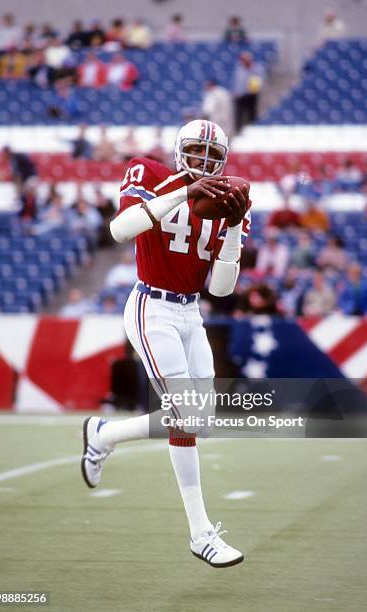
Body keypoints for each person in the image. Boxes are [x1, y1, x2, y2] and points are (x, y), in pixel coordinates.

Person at [81, 119, 250, 567]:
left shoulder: (231, 197)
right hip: (150, 305)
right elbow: (120, 230)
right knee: (186, 414)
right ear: (180, 151)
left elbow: (221, 289)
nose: (204, 162)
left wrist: (233, 228)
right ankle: (201, 533)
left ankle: (105, 433)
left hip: (191, 312)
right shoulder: (150, 173)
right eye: (195, 152)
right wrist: (182, 193)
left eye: (212, 156)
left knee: (199, 416)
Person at [232, 51, 265, 132]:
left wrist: (251, 69)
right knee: (239, 114)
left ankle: (252, 130)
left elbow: (259, 81)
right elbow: (237, 82)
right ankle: (238, 130)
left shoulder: (256, 68)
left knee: (251, 114)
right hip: (240, 96)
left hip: (251, 95)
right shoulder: (239, 69)